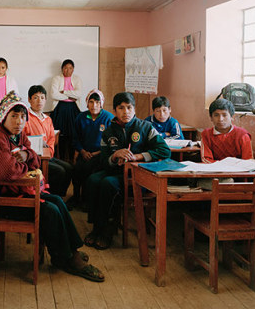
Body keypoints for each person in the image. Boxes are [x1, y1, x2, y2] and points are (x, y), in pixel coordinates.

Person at [0, 91, 105, 283]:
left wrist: (26, 157)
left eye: (22, 117)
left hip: (17, 193)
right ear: (3, 117)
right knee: (50, 210)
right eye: (14, 116)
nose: (19, 121)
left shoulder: (17, 136)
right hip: (1, 201)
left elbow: (35, 158)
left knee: (57, 201)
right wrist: (26, 163)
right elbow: (7, 173)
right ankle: (65, 258)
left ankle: (71, 250)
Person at [85, 92, 170, 249]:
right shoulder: (109, 131)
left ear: (134, 109)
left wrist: (138, 156)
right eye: (121, 108)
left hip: (137, 176)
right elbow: (104, 160)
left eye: (129, 107)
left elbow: (165, 151)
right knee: (92, 180)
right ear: (115, 110)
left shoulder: (145, 127)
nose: (126, 112)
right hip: (116, 171)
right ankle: (96, 226)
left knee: (107, 184)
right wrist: (115, 155)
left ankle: (107, 230)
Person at [67, 89, 114, 210]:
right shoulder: (81, 117)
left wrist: (97, 153)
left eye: (97, 102)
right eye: (91, 102)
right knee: (76, 169)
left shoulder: (108, 118)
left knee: (89, 170)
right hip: (84, 153)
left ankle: (87, 200)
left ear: (101, 103)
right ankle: (76, 197)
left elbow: (112, 143)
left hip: (101, 155)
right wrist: (82, 151)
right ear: (87, 103)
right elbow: (75, 138)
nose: (94, 106)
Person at [24, 85, 73, 197]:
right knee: (59, 171)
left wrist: (50, 151)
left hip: (47, 156)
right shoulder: (26, 117)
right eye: (35, 97)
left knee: (69, 168)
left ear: (46, 100)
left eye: (42, 97)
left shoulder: (48, 119)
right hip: (33, 158)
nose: (39, 101)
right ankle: (50, 197)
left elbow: (51, 138)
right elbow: (24, 139)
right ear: (29, 100)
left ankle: (60, 196)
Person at [201, 98, 253, 163]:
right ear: (211, 117)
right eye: (216, 115)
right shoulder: (206, 135)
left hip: (238, 171)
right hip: (214, 171)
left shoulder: (242, 135)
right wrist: (222, 168)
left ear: (232, 117)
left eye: (224, 115)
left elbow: (248, 161)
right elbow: (206, 159)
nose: (220, 119)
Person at [50, 59, 82, 160]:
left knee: (73, 134)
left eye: (70, 68)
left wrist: (64, 92)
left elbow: (78, 94)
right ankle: (61, 159)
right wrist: (70, 96)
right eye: (65, 68)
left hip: (73, 109)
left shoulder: (77, 79)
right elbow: (53, 94)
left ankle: (72, 161)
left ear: (73, 69)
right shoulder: (56, 78)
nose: (68, 70)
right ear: (62, 69)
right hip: (60, 109)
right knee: (61, 135)